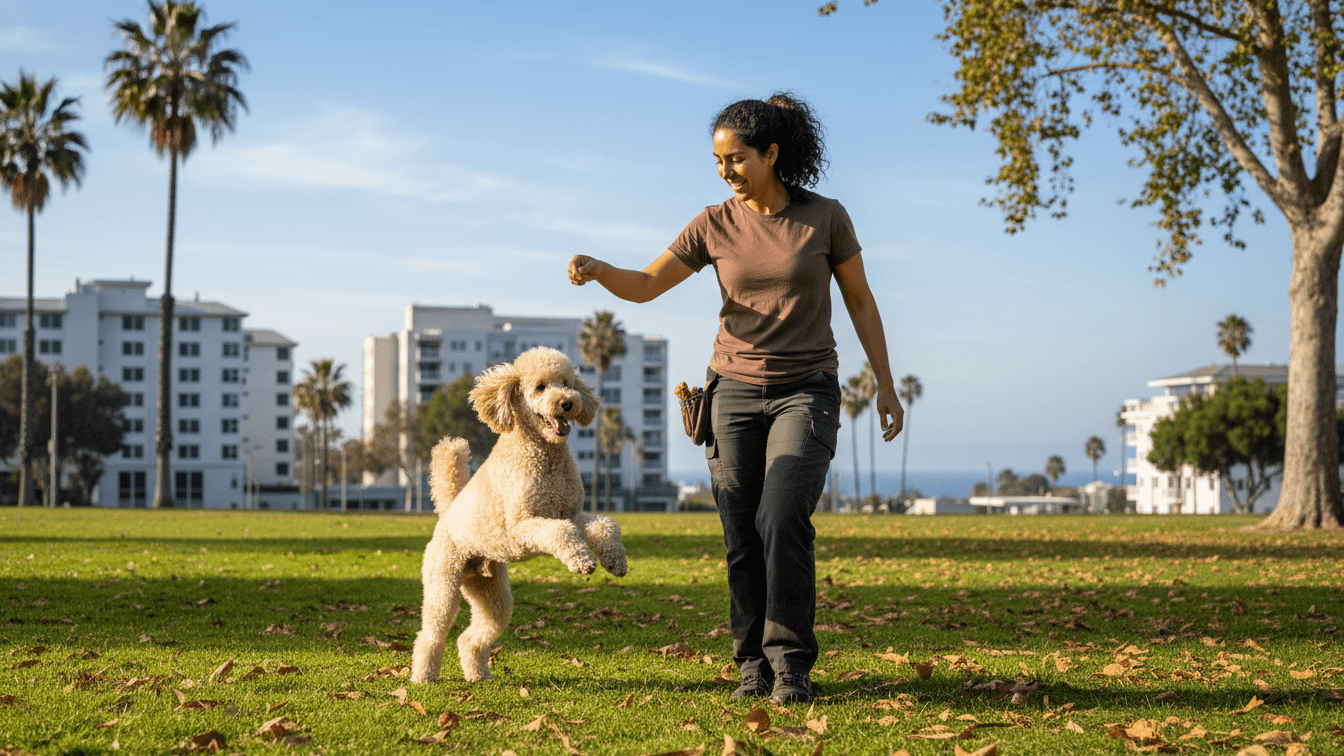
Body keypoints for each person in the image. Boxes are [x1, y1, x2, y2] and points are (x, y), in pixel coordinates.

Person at [567, 92, 902, 705]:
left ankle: (791, 663)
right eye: (719, 160)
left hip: (807, 390)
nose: (726, 171)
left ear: (772, 154)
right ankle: (752, 663)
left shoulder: (825, 217)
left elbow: (859, 299)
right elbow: (646, 285)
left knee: (781, 517)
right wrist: (599, 269)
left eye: (738, 159)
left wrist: (884, 381)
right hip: (733, 392)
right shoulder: (712, 223)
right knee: (741, 533)